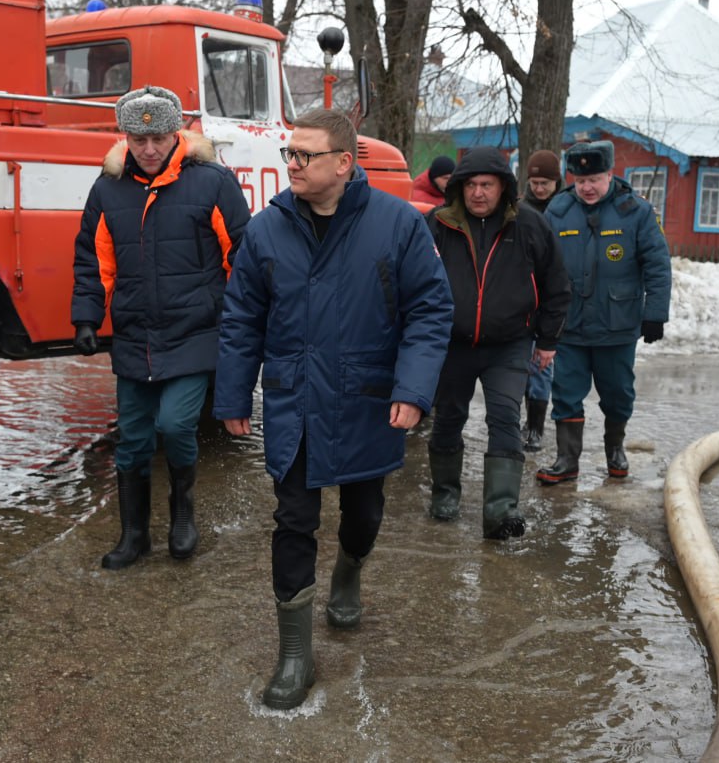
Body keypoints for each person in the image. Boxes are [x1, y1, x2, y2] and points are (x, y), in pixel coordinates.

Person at [214, 109, 453, 710]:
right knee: (292, 521)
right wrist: (234, 393)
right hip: (295, 400)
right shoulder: (267, 231)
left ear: (343, 164)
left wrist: (411, 389)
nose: (290, 165)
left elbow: (429, 309)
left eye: (304, 156)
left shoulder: (397, 224)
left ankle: (348, 573)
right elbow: (241, 319)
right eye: (288, 155)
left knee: (363, 513)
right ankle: (294, 654)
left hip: (367, 399)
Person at [71, 85, 250, 570]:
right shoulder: (107, 189)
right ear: (124, 137)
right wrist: (87, 316)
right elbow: (93, 260)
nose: (148, 150)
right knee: (131, 438)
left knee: (174, 424)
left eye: (158, 139)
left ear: (177, 134)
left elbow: (242, 257)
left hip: (194, 333)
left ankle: (183, 518)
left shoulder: (212, 182)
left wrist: (241, 324)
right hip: (135, 335)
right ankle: (133, 536)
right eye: (137, 139)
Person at [425, 147, 570, 538]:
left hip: (509, 342)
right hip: (452, 342)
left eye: (486, 185)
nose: (477, 193)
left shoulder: (529, 225)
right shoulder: (436, 224)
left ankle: (501, 510)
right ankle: (445, 495)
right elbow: (410, 282)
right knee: (448, 417)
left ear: (503, 187)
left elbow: (556, 284)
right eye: (470, 185)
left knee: (504, 416)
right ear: (458, 188)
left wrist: (548, 340)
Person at [538, 140, 671, 484]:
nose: (587, 187)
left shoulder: (636, 211)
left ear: (611, 174)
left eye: (595, 179)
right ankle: (567, 459)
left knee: (618, 393)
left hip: (618, 323)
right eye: (581, 180)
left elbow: (657, 264)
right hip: (570, 324)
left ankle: (615, 448)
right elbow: (540, 267)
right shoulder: (558, 210)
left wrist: (654, 313)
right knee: (565, 392)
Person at [519, 149, 565, 452]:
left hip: (551, 296)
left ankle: (536, 427)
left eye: (545, 183)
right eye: (534, 182)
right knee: (522, 367)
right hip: (523, 298)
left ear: (556, 182)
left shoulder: (564, 210)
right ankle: (525, 421)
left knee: (541, 368)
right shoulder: (519, 210)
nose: (539, 189)